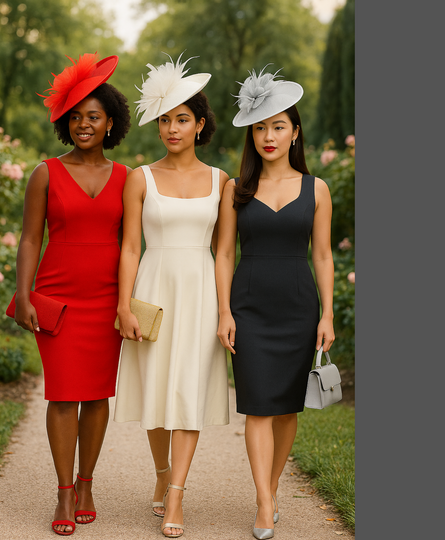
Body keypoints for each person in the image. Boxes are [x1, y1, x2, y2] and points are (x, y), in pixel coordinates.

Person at [13, 53, 131, 536]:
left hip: (106, 300)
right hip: (57, 299)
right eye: (77, 116)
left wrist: (128, 302)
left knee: (97, 396)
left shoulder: (128, 178)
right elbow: (28, 238)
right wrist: (23, 296)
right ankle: (64, 492)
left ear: (110, 124)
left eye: (95, 117)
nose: (85, 124)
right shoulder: (45, 172)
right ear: (66, 122)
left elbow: (132, 244)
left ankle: (87, 482)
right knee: (62, 396)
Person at [215, 66, 335, 539]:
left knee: (287, 409)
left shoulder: (317, 188)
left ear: (295, 132)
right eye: (261, 126)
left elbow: (323, 255)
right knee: (259, 407)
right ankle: (265, 505)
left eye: (278, 126)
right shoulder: (235, 189)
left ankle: (271, 486)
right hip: (248, 307)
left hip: (299, 308)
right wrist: (224, 310)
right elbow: (224, 252)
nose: (269, 136)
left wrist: (327, 313)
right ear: (251, 132)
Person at [113, 54, 230, 538]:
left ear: (200, 125)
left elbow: (225, 253)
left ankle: (177, 493)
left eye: (182, 119)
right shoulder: (140, 177)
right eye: (165, 119)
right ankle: (162, 472)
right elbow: (131, 246)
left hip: (201, 291)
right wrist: (123, 305)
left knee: (188, 391)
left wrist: (225, 312)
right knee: (158, 390)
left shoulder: (222, 181)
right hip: (154, 289)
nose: (172, 128)